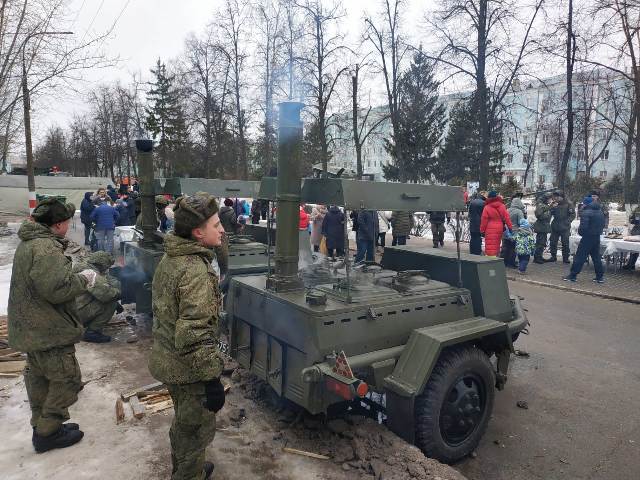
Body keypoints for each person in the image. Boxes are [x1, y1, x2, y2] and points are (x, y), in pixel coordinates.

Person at [7, 198, 97, 453]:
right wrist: (84, 279)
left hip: (32, 327)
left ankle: (43, 425)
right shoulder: (46, 248)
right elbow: (57, 290)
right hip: (47, 328)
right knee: (67, 379)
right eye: (67, 222)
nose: (69, 226)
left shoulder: (30, 243)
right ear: (58, 225)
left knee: (39, 378)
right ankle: (48, 432)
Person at [149, 193, 226, 480]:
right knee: (195, 429)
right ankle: (188, 474)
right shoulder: (194, 271)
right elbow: (194, 333)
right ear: (197, 232)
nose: (222, 230)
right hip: (188, 369)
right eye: (216, 225)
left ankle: (186, 469)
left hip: (170, 358)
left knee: (185, 423)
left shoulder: (174, 257)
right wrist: (212, 380)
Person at [73, 251, 122, 343]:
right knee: (111, 303)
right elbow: (107, 295)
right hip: (75, 314)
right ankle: (92, 332)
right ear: (101, 265)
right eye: (106, 267)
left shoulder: (82, 267)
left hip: (69, 311)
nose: (107, 269)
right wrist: (121, 293)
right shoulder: (92, 275)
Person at [564, 196, 605, 283]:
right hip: (596, 237)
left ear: (586, 203)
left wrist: (581, 233)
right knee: (596, 257)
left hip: (587, 237)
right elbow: (603, 224)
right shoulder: (600, 211)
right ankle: (600, 276)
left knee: (580, 256)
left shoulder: (586, 212)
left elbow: (583, 227)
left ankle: (573, 275)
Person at [480, 190, 513, 257]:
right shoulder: (502, 206)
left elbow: (484, 220)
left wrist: (482, 230)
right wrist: (510, 227)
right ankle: (495, 258)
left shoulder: (487, 207)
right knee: (496, 244)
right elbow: (507, 218)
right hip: (499, 228)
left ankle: (489, 259)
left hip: (489, 228)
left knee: (489, 244)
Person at [548, 190, 575, 263]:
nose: (556, 198)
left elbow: (572, 215)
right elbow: (549, 212)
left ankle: (565, 258)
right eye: (555, 197)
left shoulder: (569, 204)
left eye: (557, 197)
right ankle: (553, 256)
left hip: (565, 227)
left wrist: (567, 222)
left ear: (562, 197)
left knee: (565, 243)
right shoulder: (554, 204)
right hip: (555, 225)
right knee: (553, 242)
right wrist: (551, 207)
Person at [502, 194, 526, 268]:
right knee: (513, 248)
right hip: (514, 232)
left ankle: (504, 262)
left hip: (506, 231)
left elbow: (503, 220)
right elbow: (521, 222)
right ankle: (511, 263)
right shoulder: (519, 211)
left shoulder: (507, 210)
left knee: (505, 247)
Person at [533, 193, 552, 264]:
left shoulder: (544, 205)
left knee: (542, 243)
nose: (550, 200)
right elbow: (539, 215)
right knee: (540, 243)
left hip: (543, 227)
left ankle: (539, 256)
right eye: (549, 198)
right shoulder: (541, 205)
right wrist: (548, 213)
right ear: (546, 199)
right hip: (541, 227)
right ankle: (537, 258)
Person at [623, 201, 640, 270]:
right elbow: (633, 219)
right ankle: (632, 264)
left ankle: (630, 264)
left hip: (637, 230)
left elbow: (634, 220)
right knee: (635, 249)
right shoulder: (637, 209)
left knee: (634, 249)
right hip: (636, 230)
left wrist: (632, 219)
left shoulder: (637, 210)